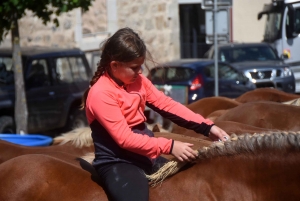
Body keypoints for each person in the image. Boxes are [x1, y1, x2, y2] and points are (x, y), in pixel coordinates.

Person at [81, 27, 229, 201]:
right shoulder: (101, 93)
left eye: (141, 66)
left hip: (147, 156)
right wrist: (171, 146)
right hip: (118, 162)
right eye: (134, 67)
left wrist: (207, 127)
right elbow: (125, 139)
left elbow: (167, 105)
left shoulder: (139, 81)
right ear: (114, 65)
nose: (140, 72)